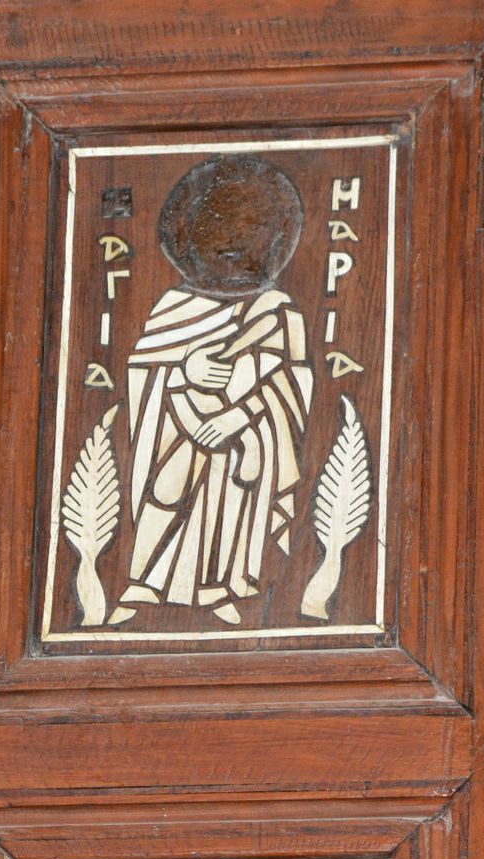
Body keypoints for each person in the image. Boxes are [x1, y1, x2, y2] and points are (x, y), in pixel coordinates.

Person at [119, 155, 314, 626]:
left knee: (233, 494)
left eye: (245, 234)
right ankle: (144, 581)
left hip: (241, 429)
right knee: (166, 489)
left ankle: (217, 586)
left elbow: (292, 380)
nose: (230, 246)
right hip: (181, 421)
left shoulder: (277, 308)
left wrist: (237, 417)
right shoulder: (174, 305)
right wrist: (184, 368)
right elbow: (145, 369)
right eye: (221, 232)